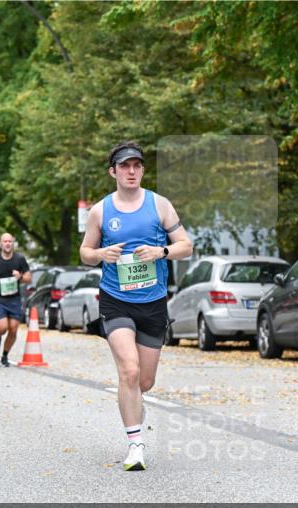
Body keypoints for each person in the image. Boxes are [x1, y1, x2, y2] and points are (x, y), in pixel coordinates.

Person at [79, 141, 192, 471]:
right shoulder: (100, 211)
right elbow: (85, 252)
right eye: (125, 166)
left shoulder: (160, 205)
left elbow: (185, 245)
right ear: (113, 171)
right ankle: (135, 445)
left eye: (137, 166)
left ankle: (133, 406)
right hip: (115, 301)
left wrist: (162, 252)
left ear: (142, 170)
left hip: (153, 303)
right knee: (128, 370)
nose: (131, 171)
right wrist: (100, 254)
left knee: (143, 382)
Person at [0, 233, 32, 366]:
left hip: (14, 299)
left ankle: (5, 355)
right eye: (5, 241)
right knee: (2, 326)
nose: (8, 243)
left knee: (13, 329)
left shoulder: (19, 259)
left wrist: (20, 277)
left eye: (10, 241)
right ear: (1, 244)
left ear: (13, 243)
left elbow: (29, 277)